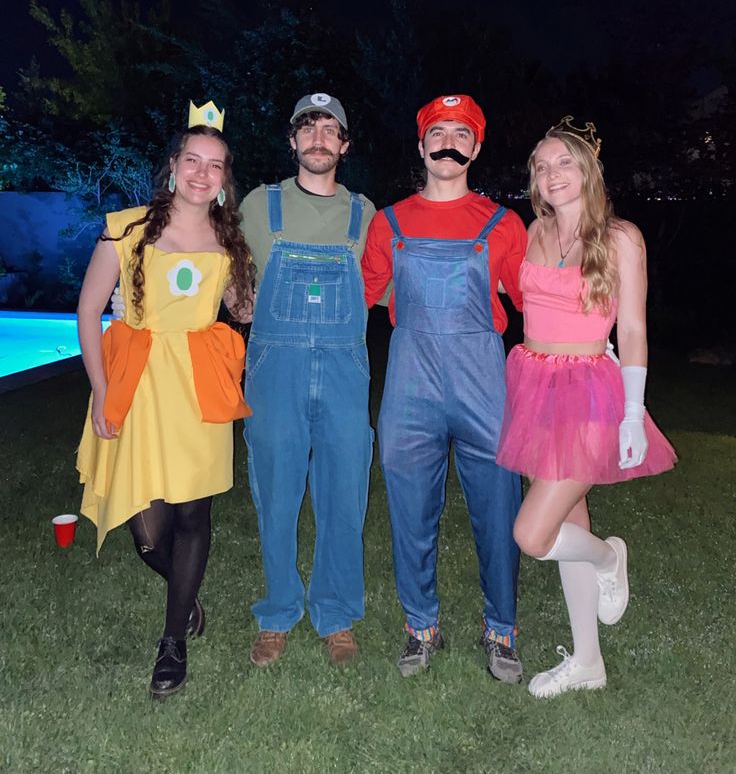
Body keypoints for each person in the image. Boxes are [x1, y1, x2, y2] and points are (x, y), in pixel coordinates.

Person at [76, 102, 255, 699]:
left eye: (216, 165)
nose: (203, 174)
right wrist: (102, 391)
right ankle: (184, 592)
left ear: (226, 179)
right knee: (148, 530)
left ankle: (173, 638)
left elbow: (245, 310)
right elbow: (88, 309)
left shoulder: (228, 239)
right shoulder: (125, 228)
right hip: (139, 387)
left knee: (191, 515)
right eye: (193, 161)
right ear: (173, 166)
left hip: (199, 388)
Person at [496, 117, 677, 699]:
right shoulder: (535, 230)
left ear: (588, 169)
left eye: (563, 163)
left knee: (533, 532)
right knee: (569, 517)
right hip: (532, 382)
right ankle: (587, 662)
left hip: (589, 390)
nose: (552, 175)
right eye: (541, 167)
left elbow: (634, 327)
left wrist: (632, 411)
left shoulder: (621, 236)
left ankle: (607, 559)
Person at [361, 94, 527, 681]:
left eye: (461, 133)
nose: (448, 142)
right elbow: (354, 296)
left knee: (500, 507)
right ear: (422, 144)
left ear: (476, 147)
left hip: (484, 377)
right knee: (409, 509)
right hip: (411, 381)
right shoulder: (389, 222)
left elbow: (540, 302)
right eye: (437, 132)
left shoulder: (505, 225)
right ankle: (420, 625)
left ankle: (501, 629)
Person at [240, 93, 376, 667]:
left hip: (345, 368)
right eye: (307, 128)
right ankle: (278, 611)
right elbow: (223, 270)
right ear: (292, 140)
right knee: (276, 492)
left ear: (344, 144)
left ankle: (336, 613)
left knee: (344, 492)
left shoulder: (367, 215)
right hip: (276, 369)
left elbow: (390, 289)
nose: (318, 138)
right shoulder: (256, 205)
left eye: (330, 129)